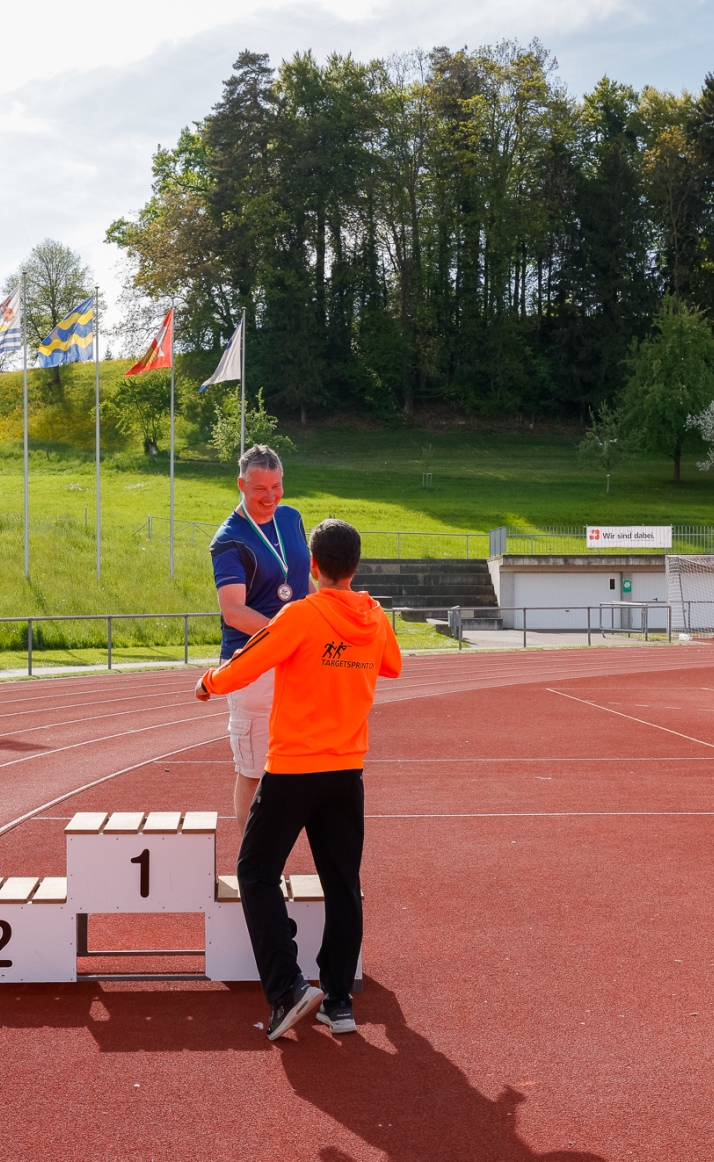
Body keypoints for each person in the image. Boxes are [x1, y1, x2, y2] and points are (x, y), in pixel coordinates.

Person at [195, 519, 402, 1041]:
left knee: (255, 872)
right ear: (355, 567)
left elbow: (248, 663)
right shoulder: (374, 617)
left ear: (311, 566)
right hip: (346, 771)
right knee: (343, 885)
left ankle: (287, 988)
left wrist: (209, 682)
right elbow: (392, 666)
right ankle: (338, 1001)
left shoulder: (301, 615)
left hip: (293, 770)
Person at [210, 445, 312, 827]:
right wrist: (287, 635)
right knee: (254, 769)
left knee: (300, 765)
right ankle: (251, 858)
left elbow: (302, 584)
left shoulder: (292, 518)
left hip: (299, 660)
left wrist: (324, 621)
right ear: (241, 485)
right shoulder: (229, 539)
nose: (271, 497)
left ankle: (278, 850)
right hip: (253, 663)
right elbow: (234, 611)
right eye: (260, 489)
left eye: (277, 486)